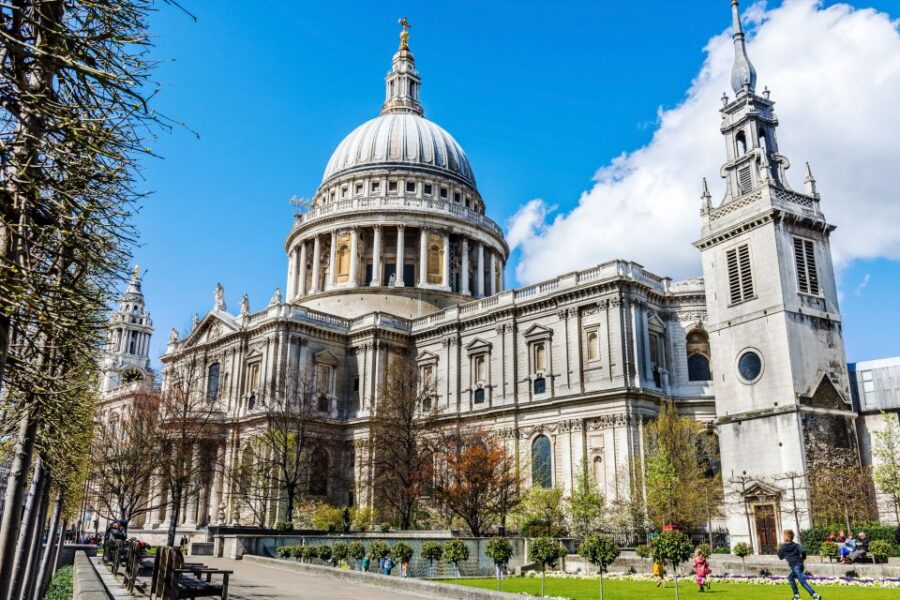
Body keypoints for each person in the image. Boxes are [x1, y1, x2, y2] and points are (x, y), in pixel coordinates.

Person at [777, 530, 821, 600]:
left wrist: (779, 549)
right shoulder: (796, 545)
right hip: (800, 565)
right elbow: (803, 552)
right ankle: (796, 596)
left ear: (786, 537)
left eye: (784, 536)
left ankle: (815, 595)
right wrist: (803, 558)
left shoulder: (783, 547)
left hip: (795, 567)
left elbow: (780, 557)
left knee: (802, 582)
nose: (783, 537)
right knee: (790, 578)